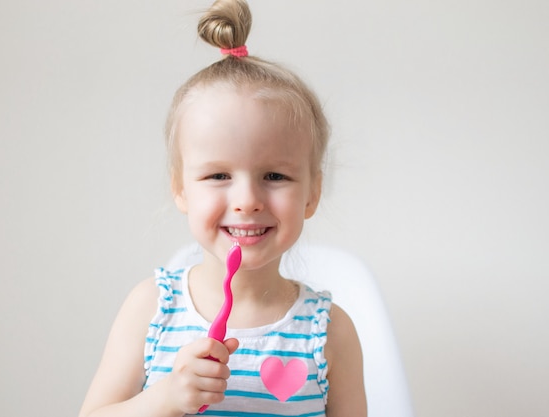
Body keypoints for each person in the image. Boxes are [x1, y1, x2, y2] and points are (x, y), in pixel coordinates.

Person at [79, 1, 366, 416]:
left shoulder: (329, 332)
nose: (247, 201)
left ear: (312, 193)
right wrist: (165, 398)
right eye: (218, 176)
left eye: (274, 176)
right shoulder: (152, 309)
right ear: (180, 189)